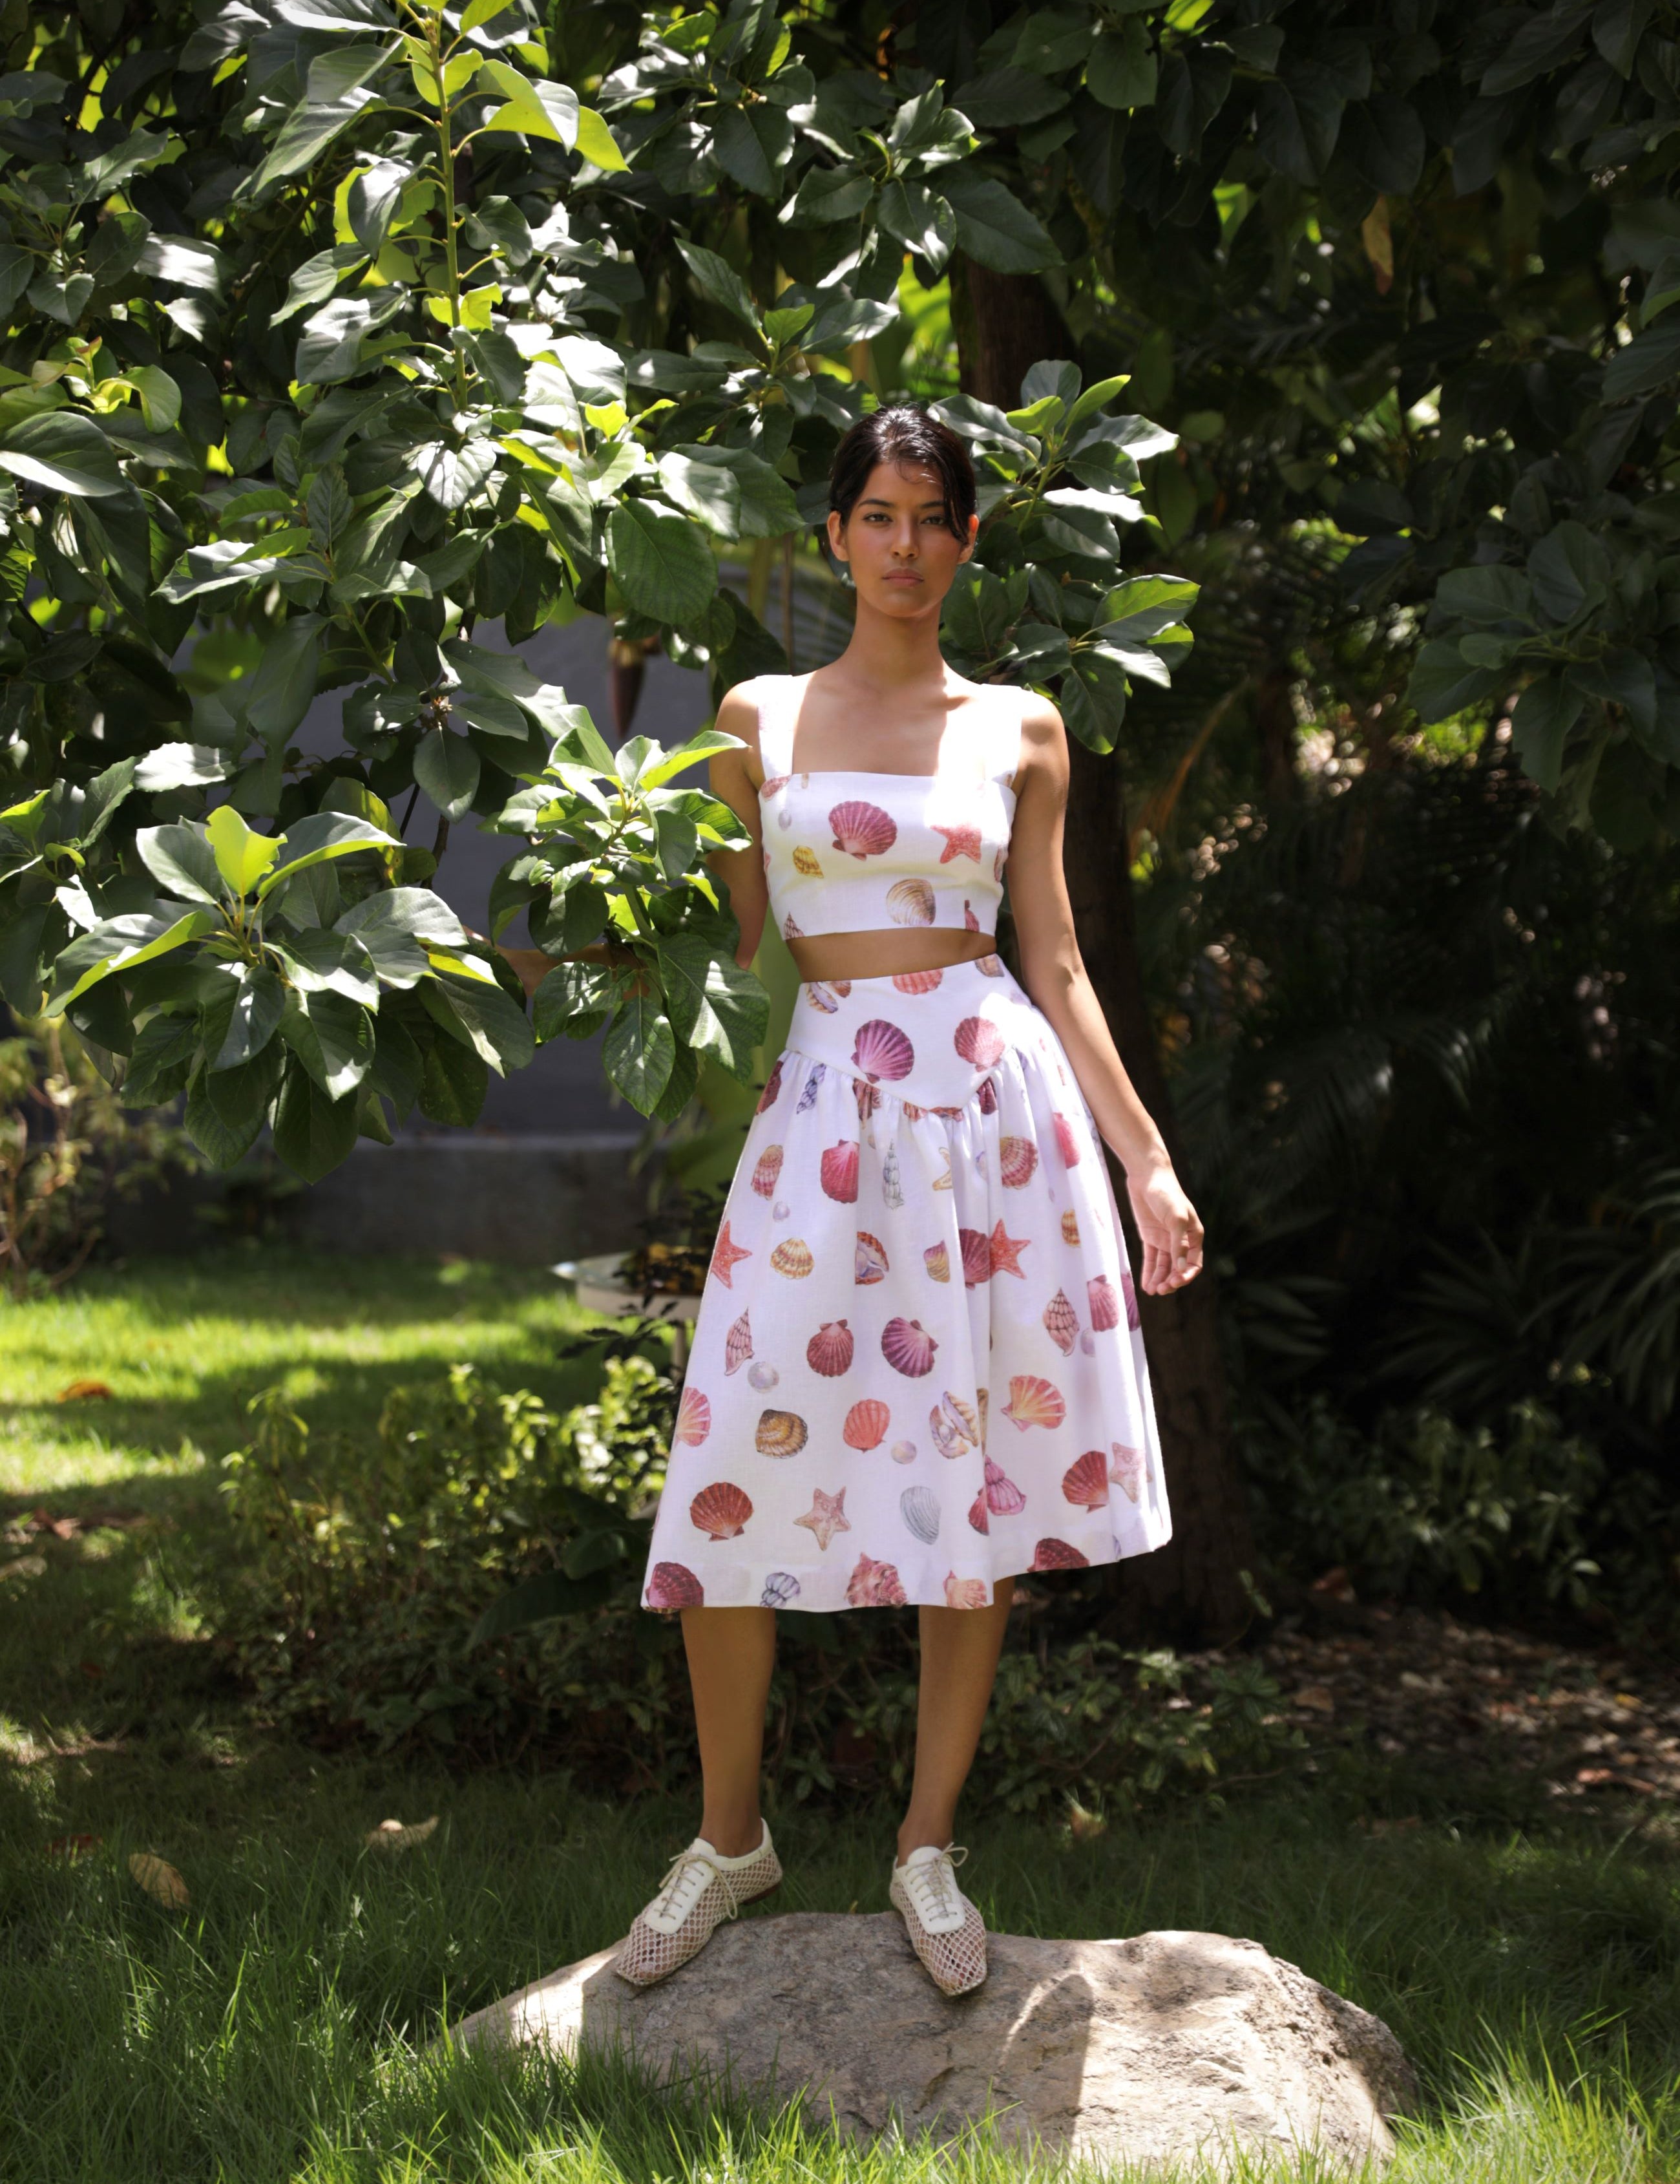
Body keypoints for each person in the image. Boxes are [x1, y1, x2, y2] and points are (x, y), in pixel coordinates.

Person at [512, 405, 1204, 1999]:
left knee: (972, 1492)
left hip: (987, 1115)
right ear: (834, 534)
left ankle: (925, 1842)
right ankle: (730, 1836)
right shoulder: (755, 716)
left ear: (969, 541)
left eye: (934, 518)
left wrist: (1144, 1153)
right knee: (729, 1471)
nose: (905, 545)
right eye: (877, 515)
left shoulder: (1021, 727)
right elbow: (736, 947)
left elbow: (1058, 957)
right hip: (823, 1112)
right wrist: (606, 911)